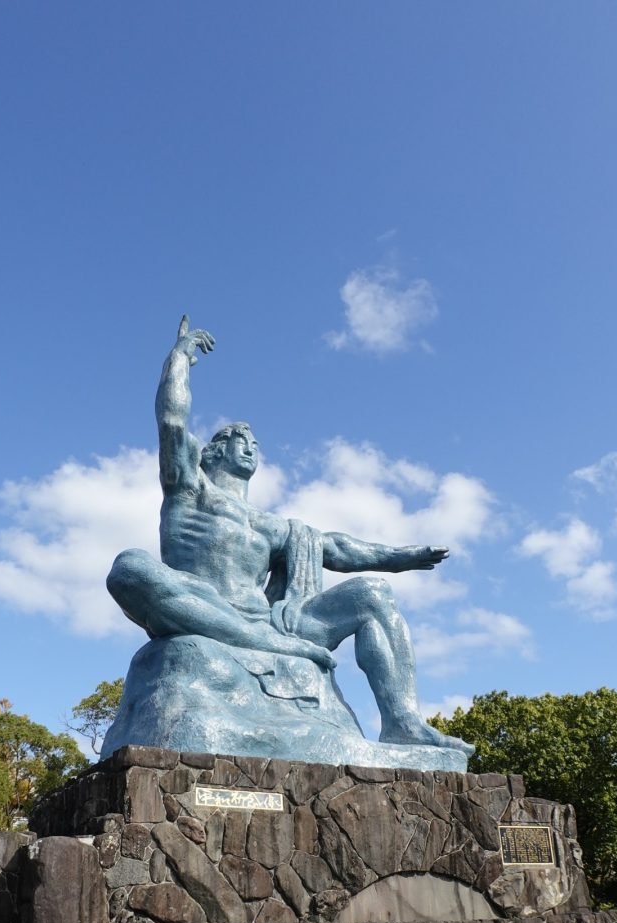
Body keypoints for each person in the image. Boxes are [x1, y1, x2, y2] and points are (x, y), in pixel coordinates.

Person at [108, 317, 469, 751]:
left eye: (256, 443)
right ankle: (253, 641)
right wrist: (180, 357)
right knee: (129, 567)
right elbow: (171, 419)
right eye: (239, 438)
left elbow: (335, 547)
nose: (251, 446)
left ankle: (402, 722)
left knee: (373, 594)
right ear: (213, 450)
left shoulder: (274, 525)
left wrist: (397, 558)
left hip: (270, 620)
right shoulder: (189, 487)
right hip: (200, 604)